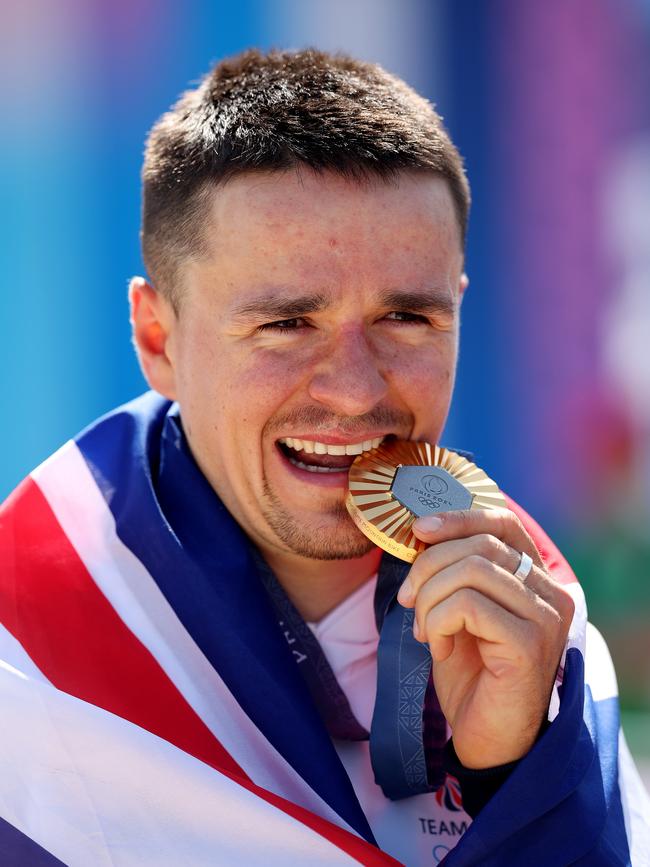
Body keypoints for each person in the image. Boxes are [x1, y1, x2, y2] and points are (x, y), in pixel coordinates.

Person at [0, 48, 648, 867]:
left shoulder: (537, 622)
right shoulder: (22, 658)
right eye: (285, 323)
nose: (352, 390)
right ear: (158, 339)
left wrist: (517, 775)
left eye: (407, 318)